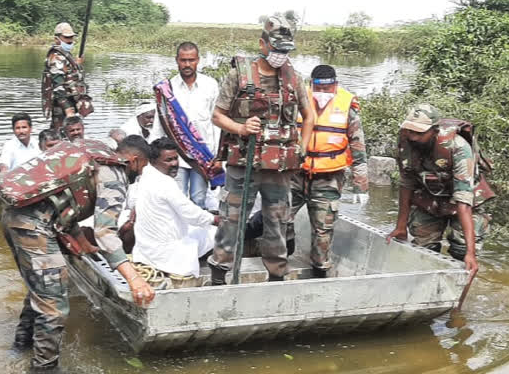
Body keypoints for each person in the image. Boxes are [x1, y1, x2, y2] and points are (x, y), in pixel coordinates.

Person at [0, 135, 156, 373]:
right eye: (141, 168)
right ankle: (44, 368)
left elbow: (63, 202)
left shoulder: (94, 151)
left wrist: (81, 241)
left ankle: (20, 346)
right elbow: (105, 232)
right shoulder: (116, 174)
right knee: (54, 306)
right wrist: (135, 279)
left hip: (14, 217)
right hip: (33, 227)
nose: (139, 175)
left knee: (41, 290)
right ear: (135, 160)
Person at [208, 15, 313, 284]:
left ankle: (276, 276)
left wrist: (301, 148)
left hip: (279, 167)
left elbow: (308, 116)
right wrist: (241, 128)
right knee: (232, 219)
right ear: (262, 44)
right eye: (276, 49)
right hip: (243, 162)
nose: (280, 55)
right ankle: (219, 274)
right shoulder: (239, 76)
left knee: (277, 221)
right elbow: (217, 116)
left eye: (285, 50)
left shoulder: (294, 78)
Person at [386, 104, 494, 278]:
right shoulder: (406, 142)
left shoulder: (458, 148)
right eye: (409, 131)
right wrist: (400, 226)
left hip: (464, 200)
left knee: (463, 253)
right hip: (430, 196)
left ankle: (457, 303)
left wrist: (470, 252)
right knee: (422, 251)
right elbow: (406, 183)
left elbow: (463, 201)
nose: (412, 137)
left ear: (434, 131)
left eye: (419, 133)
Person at [291, 64, 369, 278]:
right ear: (311, 85)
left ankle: (320, 269)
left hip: (329, 177)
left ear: (336, 85)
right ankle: (284, 254)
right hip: (295, 174)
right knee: (280, 218)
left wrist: (361, 185)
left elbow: (358, 146)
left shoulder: (347, 106)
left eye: (328, 88)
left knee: (323, 228)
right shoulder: (298, 100)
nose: (323, 93)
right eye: (319, 88)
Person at [132, 138, 221, 277]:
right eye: (168, 160)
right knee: (216, 233)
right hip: (166, 254)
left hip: (146, 250)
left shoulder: (146, 175)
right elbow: (192, 215)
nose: (174, 164)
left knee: (200, 228)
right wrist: (216, 220)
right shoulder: (164, 183)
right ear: (154, 161)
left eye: (175, 158)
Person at [150, 42, 222, 208]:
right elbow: (159, 125)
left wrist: (218, 156)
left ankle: (197, 234)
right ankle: (178, 234)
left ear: (198, 60)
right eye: (183, 60)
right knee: (177, 201)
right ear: (177, 60)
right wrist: (153, 156)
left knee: (198, 200)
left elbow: (217, 122)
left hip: (203, 156)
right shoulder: (167, 88)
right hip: (176, 156)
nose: (187, 64)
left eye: (191, 60)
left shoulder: (210, 85)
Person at [41, 22, 93, 135]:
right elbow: (58, 86)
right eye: (66, 37)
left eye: (71, 37)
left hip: (71, 102)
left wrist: (77, 64)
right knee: (61, 132)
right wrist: (68, 109)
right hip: (62, 105)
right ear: (57, 39)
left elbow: (70, 75)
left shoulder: (65, 55)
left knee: (68, 133)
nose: (70, 40)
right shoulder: (56, 57)